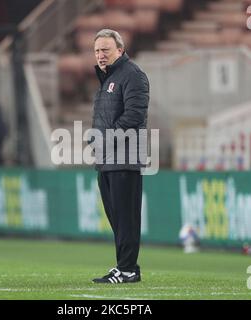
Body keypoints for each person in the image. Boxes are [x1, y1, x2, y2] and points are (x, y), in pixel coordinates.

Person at [90, 29, 150, 284]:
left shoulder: (133, 75)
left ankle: (127, 269)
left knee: (125, 217)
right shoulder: (109, 78)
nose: (100, 55)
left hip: (124, 159)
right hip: (107, 160)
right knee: (117, 216)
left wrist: (105, 137)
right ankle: (125, 267)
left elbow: (135, 115)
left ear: (120, 50)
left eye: (105, 50)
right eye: (96, 51)